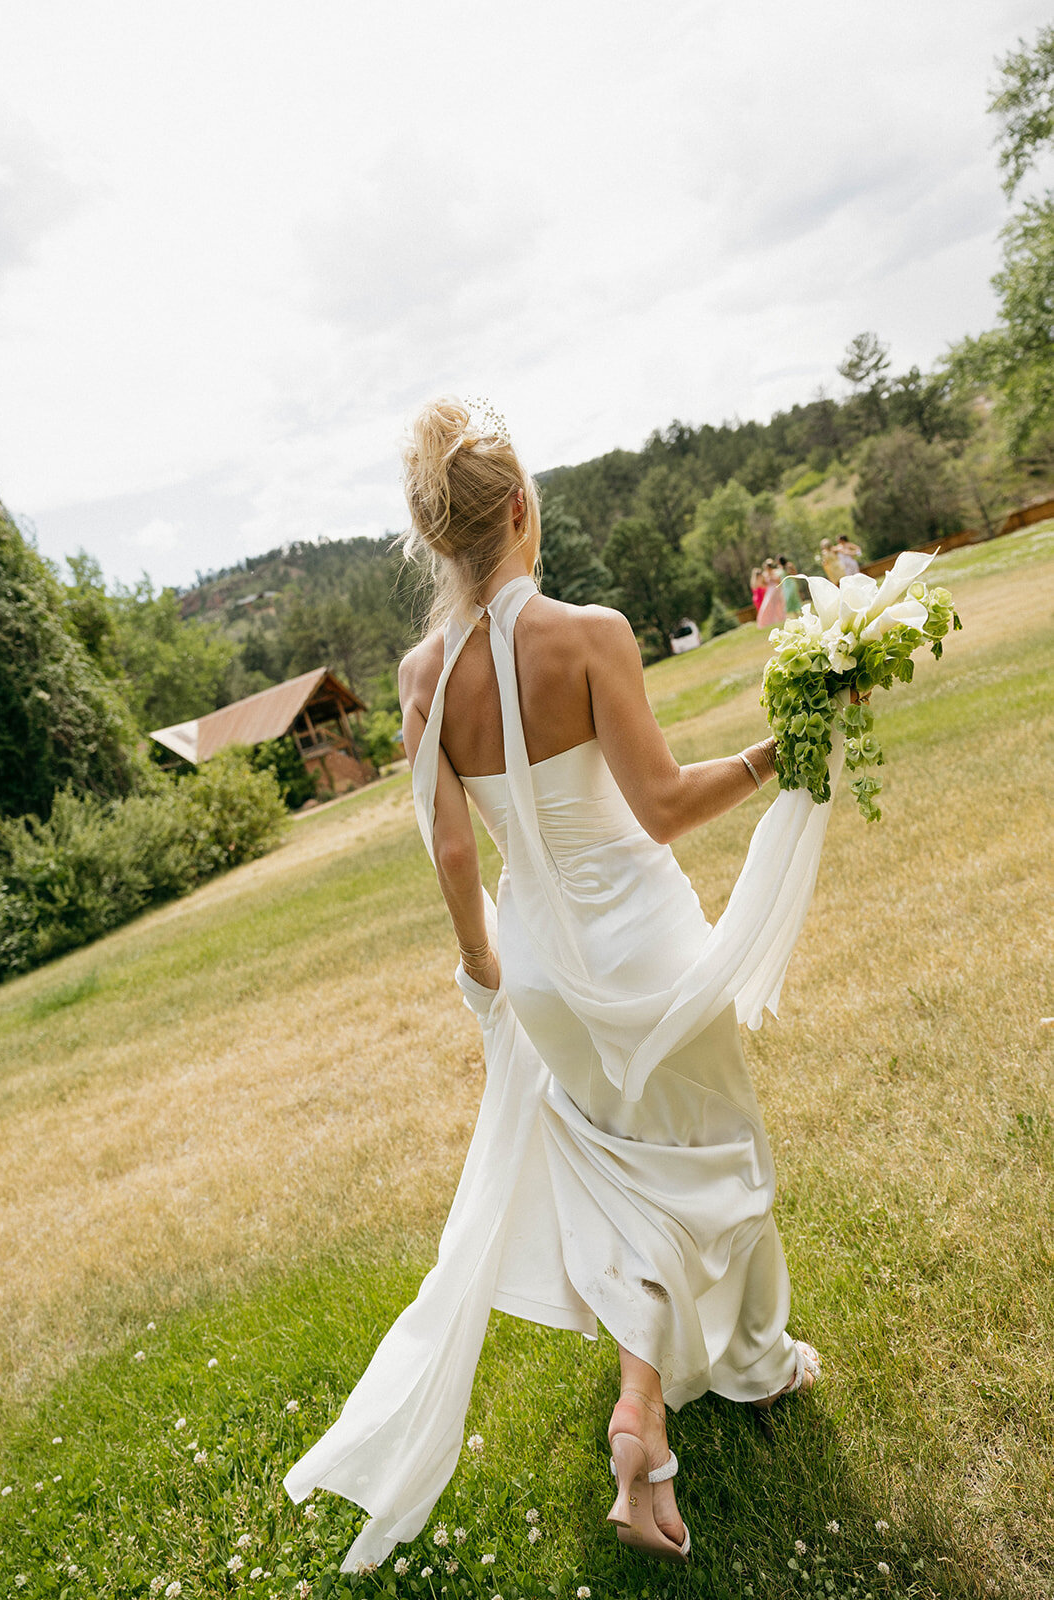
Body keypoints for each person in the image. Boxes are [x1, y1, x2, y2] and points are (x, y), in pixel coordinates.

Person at [284, 398, 832, 1573]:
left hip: (537, 965)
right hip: (638, 940)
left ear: (439, 540)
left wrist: (491, 976)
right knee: (708, 1154)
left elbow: (446, 851)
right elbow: (666, 805)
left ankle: (642, 1417)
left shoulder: (420, 672)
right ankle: (753, 1363)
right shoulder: (588, 632)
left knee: (627, 1173)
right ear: (522, 509)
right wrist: (773, 755)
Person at [756, 557, 786, 628]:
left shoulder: (775, 572)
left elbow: (779, 581)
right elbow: (763, 584)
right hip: (769, 591)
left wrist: (771, 578)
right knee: (767, 605)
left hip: (776, 589)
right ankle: (766, 621)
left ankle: (781, 618)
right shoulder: (765, 574)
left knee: (779, 605)